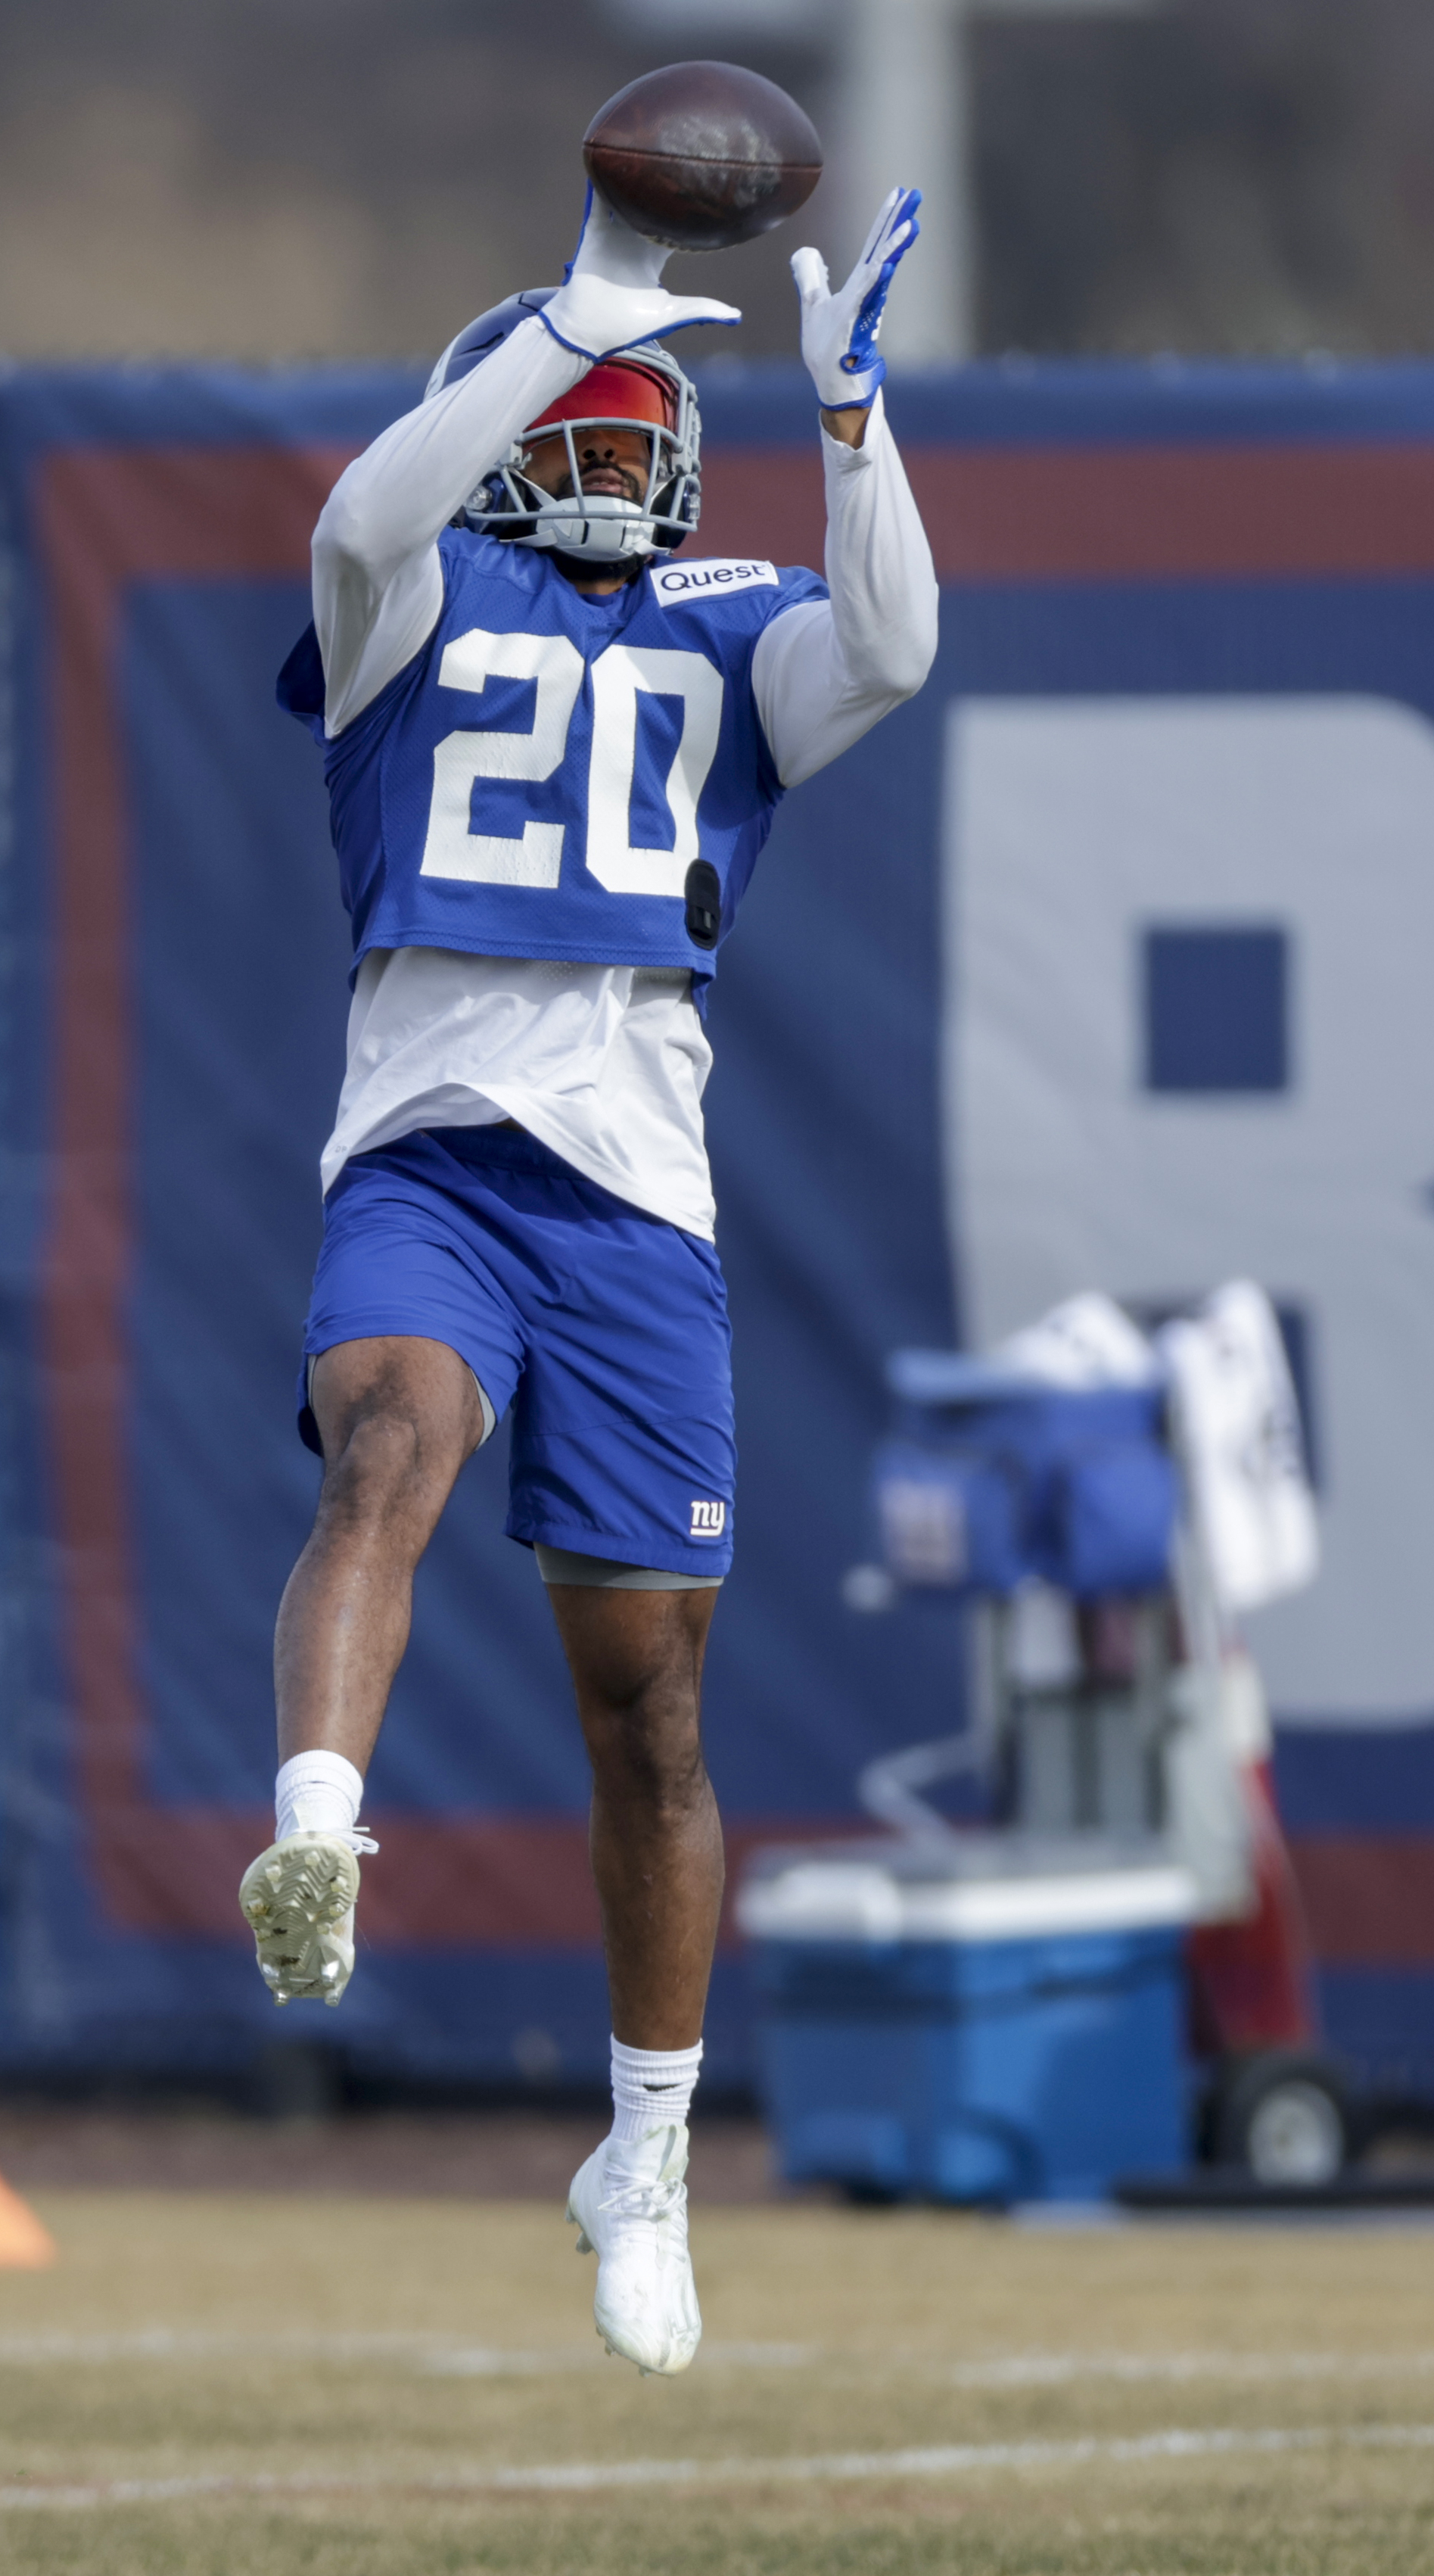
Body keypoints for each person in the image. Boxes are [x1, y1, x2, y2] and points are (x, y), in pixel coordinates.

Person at [241, 180, 939, 2375]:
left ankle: (641, 2156)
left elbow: (895, 645)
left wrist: (847, 423)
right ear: (519, 410)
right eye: (601, 411)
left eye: (658, 419)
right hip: (436, 1151)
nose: (640, 447)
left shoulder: (732, 634)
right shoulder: (415, 600)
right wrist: (572, 318)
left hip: (638, 1198)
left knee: (651, 1712)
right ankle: (321, 1840)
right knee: (389, 1446)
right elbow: (362, 518)